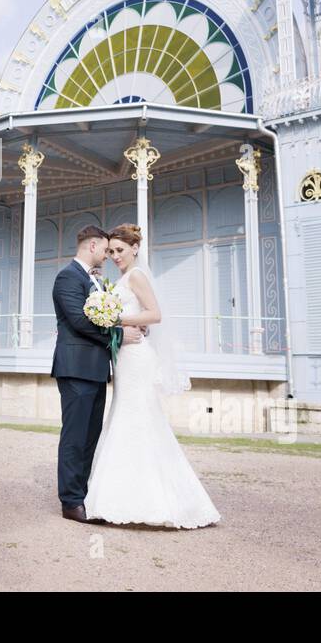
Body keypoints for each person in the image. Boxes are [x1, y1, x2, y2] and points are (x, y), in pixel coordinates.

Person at [83, 223, 221, 529]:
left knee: (139, 418)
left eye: (120, 250)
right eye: (111, 252)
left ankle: (153, 500)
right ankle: (119, 497)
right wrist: (116, 325)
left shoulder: (137, 276)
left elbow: (155, 314)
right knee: (123, 415)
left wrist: (117, 319)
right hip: (124, 358)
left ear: (135, 249)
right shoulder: (120, 279)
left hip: (138, 359)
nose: (115, 256)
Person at [50, 225, 143, 523]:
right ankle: (71, 502)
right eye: (105, 249)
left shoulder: (96, 281)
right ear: (92, 246)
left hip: (97, 370)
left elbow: (105, 313)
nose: (108, 255)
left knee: (91, 436)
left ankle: (84, 493)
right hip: (76, 368)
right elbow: (79, 321)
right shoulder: (67, 277)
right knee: (75, 436)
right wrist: (117, 334)